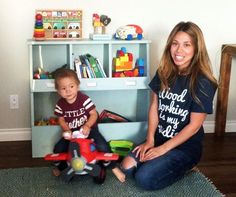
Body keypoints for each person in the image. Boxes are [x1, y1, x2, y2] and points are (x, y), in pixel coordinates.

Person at [115, 21, 218, 190]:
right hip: (160, 138)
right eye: (175, 44)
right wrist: (150, 140)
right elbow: (154, 106)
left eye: (187, 45)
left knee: (144, 179)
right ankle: (159, 162)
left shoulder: (203, 82)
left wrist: (163, 150)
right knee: (126, 167)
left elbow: (194, 126)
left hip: (185, 147)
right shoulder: (164, 72)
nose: (179, 50)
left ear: (196, 49)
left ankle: (186, 166)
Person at [52, 68, 125, 182]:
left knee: (103, 146)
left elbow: (94, 114)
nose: (68, 91)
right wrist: (66, 130)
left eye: (71, 86)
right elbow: (61, 120)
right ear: (58, 91)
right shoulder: (60, 104)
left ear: (77, 86)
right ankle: (62, 168)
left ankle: (112, 167)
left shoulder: (84, 99)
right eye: (63, 88)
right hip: (72, 134)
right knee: (58, 148)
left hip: (89, 130)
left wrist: (87, 126)